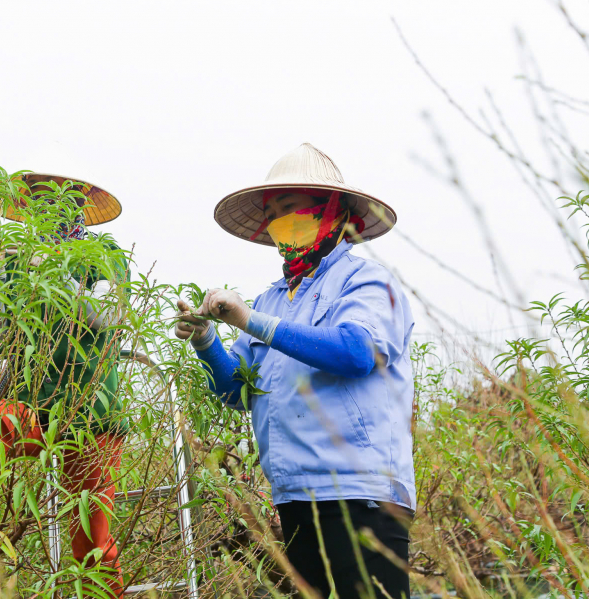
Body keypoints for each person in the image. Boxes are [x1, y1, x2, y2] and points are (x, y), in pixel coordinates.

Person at [174, 143, 415, 599]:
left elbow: (356, 352)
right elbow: (235, 391)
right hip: (296, 497)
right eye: (276, 213)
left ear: (332, 211)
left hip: (362, 495)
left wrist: (249, 321)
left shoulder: (366, 281)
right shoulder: (272, 300)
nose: (284, 221)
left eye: (294, 208)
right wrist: (207, 341)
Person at [0, 172, 130, 597]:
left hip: (92, 416)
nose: (49, 205)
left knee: (91, 543)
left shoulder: (105, 253)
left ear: (80, 200)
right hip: (32, 410)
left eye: (59, 195)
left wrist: (53, 270)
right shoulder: (13, 257)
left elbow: (106, 314)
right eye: (38, 196)